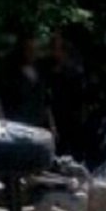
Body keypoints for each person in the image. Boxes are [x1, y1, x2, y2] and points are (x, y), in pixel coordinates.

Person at [0, 34, 54, 131]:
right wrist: (1, 122)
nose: (33, 53)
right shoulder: (8, 72)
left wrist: (52, 125)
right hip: (17, 124)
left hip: (39, 125)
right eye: (29, 49)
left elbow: (46, 101)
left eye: (35, 50)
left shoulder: (41, 70)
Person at [43, 31, 86, 159]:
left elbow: (79, 95)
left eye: (58, 49)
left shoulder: (73, 69)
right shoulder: (49, 68)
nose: (55, 53)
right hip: (55, 113)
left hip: (71, 114)